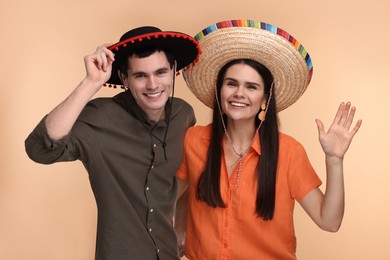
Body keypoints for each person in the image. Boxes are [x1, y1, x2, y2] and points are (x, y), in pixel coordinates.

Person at [176, 20, 362, 259]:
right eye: (231, 83)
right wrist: (179, 227)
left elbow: (330, 221)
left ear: (266, 98)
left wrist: (334, 159)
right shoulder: (193, 140)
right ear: (219, 91)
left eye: (251, 87)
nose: (239, 93)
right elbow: (168, 196)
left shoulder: (289, 152)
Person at [25, 26, 200, 260]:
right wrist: (91, 82)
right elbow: (40, 148)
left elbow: (189, 172)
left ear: (173, 71)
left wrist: (180, 222)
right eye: (140, 76)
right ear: (124, 78)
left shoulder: (183, 115)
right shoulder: (102, 116)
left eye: (160, 72)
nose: (153, 85)